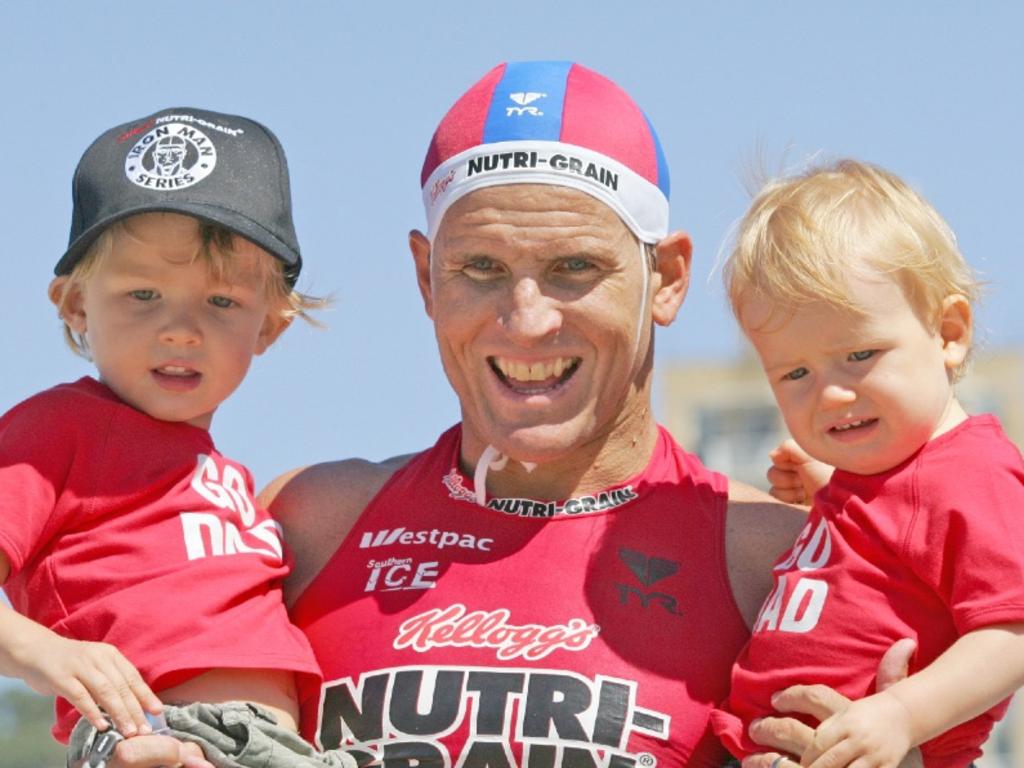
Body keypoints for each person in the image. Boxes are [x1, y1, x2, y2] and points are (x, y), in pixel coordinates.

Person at [103, 65, 913, 768]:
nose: (526, 321)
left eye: (573, 268)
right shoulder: (309, 520)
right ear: (426, 278)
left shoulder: (776, 559)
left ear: (666, 278)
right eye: (480, 268)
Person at [0, 108, 326, 764]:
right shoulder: (62, 427)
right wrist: (46, 653)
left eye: (222, 302)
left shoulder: (224, 477)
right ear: (75, 305)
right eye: (143, 294)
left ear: (270, 327)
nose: (180, 328)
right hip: (169, 737)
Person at [710, 159, 1024, 767]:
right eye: (795, 373)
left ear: (948, 332)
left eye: (859, 354)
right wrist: (829, 489)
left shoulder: (971, 472)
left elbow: (1014, 630)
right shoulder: (881, 478)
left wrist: (903, 714)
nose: (830, 394)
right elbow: (897, 543)